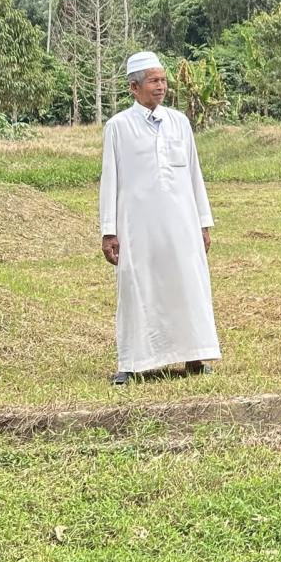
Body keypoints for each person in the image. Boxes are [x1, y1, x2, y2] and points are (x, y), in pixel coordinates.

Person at [99, 51, 220, 385]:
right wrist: (109, 231)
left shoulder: (179, 122)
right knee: (139, 287)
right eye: (154, 81)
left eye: (163, 80)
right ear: (134, 88)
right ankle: (134, 362)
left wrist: (203, 223)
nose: (161, 86)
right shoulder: (118, 127)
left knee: (188, 285)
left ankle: (195, 357)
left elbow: (194, 175)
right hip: (138, 228)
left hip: (181, 226)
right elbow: (110, 181)